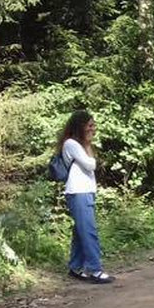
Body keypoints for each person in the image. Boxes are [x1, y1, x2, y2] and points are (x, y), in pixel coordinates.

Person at [58, 110, 114, 284]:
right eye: (90, 125)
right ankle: (94, 269)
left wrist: (87, 144)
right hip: (78, 192)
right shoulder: (71, 144)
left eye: (93, 125)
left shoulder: (78, 145)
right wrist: (88, 145)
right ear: (80, 126)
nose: (93, 129)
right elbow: (90, 165)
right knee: (88, 231)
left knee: (80, 231)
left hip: (85, 191)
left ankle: (75, 267)